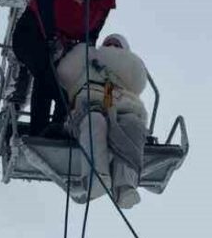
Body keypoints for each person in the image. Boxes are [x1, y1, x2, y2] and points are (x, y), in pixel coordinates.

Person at [10, 0, 118, 136]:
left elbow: (92, 34)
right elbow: (43, 3)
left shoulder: (104, 5)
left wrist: (88, 56)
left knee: (71, 84)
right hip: (32, 35)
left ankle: (59, 128)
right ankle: (39, 130)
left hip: (61, 46)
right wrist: (51, 35)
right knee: (47, 75)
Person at [56, 33, 149, 208]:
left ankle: (125, 186)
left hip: (120, 107)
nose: (112, 47)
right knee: (95, 120)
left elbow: (138, 83)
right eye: (109, 43)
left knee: (131, 126)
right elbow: (64, 74)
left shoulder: (128, 75)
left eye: (116, 45)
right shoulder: (88, 60)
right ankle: (96, 177)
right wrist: (82, 52)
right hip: (88, 106)